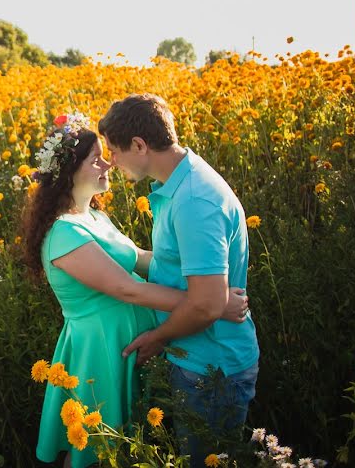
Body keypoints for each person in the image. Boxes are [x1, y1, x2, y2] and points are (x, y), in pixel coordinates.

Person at [21, 112, 249, 468]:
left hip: (131, 343)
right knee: (94, 447)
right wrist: (214, 304)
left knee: (130, 445)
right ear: (69, 172)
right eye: (96, 158)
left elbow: (141, 258)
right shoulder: (64, 232)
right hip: (101, 346)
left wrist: (206, 275)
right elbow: (128, 289)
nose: (108, 164)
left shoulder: (95, 216)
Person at [97, 94, 259, 468]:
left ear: (140, 145)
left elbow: (205, 304)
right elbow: (183, 272)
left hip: (212, 366)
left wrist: (158, 337)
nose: (110, 161)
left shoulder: (193, 200)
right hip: (199, 356)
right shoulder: (181, 182)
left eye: (114, 151)